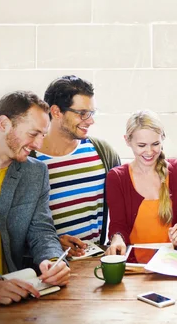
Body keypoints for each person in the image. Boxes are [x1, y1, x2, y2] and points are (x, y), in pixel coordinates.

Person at [0, 91, 70, 315]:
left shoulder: (36, 172)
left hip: (15, 302)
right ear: (4, 124)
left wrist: (52, 259)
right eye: (34, 133)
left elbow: (41, 229)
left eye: (43, 135)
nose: (39, 144)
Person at [33, 75, 120, 257]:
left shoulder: (103, 153)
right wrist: (53, 244)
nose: (90, 120)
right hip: (51, 268)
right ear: (56, 112)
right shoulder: (30, 159)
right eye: (82, 113)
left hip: (95, 266)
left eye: (92, 113)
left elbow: (123, 208)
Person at [106, 110, 177, 255]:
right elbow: (118, 225)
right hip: (134, 263)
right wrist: (117, 239)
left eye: (155, 144)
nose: (149, 152)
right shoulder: (117, 177)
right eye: (141, 145)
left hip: (176, 260)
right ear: (127, 141)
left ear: (163, 139)